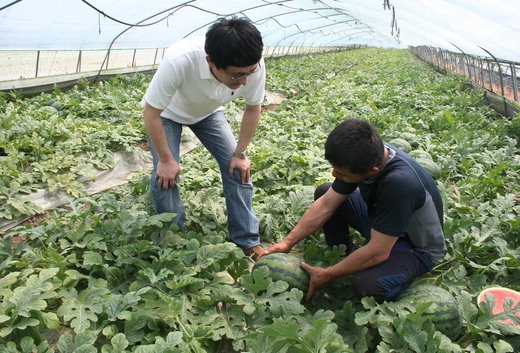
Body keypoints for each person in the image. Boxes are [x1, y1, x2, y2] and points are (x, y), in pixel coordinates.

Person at [259, 118, 447, 302]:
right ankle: (346, 254)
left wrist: (329, 274)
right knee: (325, 191)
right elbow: (326, 204)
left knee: (366, 285)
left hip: (415, 247)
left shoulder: (400, 184)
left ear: (372, 171)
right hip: (381, 222)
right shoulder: (364, 155)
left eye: (341, 173)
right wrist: (287, 243)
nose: (334, 175)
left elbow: (378, 252)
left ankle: (396, 276)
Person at [141, 16, 266, 259]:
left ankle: (248, 241)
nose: (245, 81)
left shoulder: (252, 66)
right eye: (237, 76)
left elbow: (253, 108)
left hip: (208, 112)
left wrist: (239, 153)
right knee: (166, 177)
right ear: (211, 61)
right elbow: (151, 112)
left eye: (249, 73)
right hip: (168, 114)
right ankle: (174, 241)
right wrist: (167, 161)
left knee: (239, 169)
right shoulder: (180, 59)